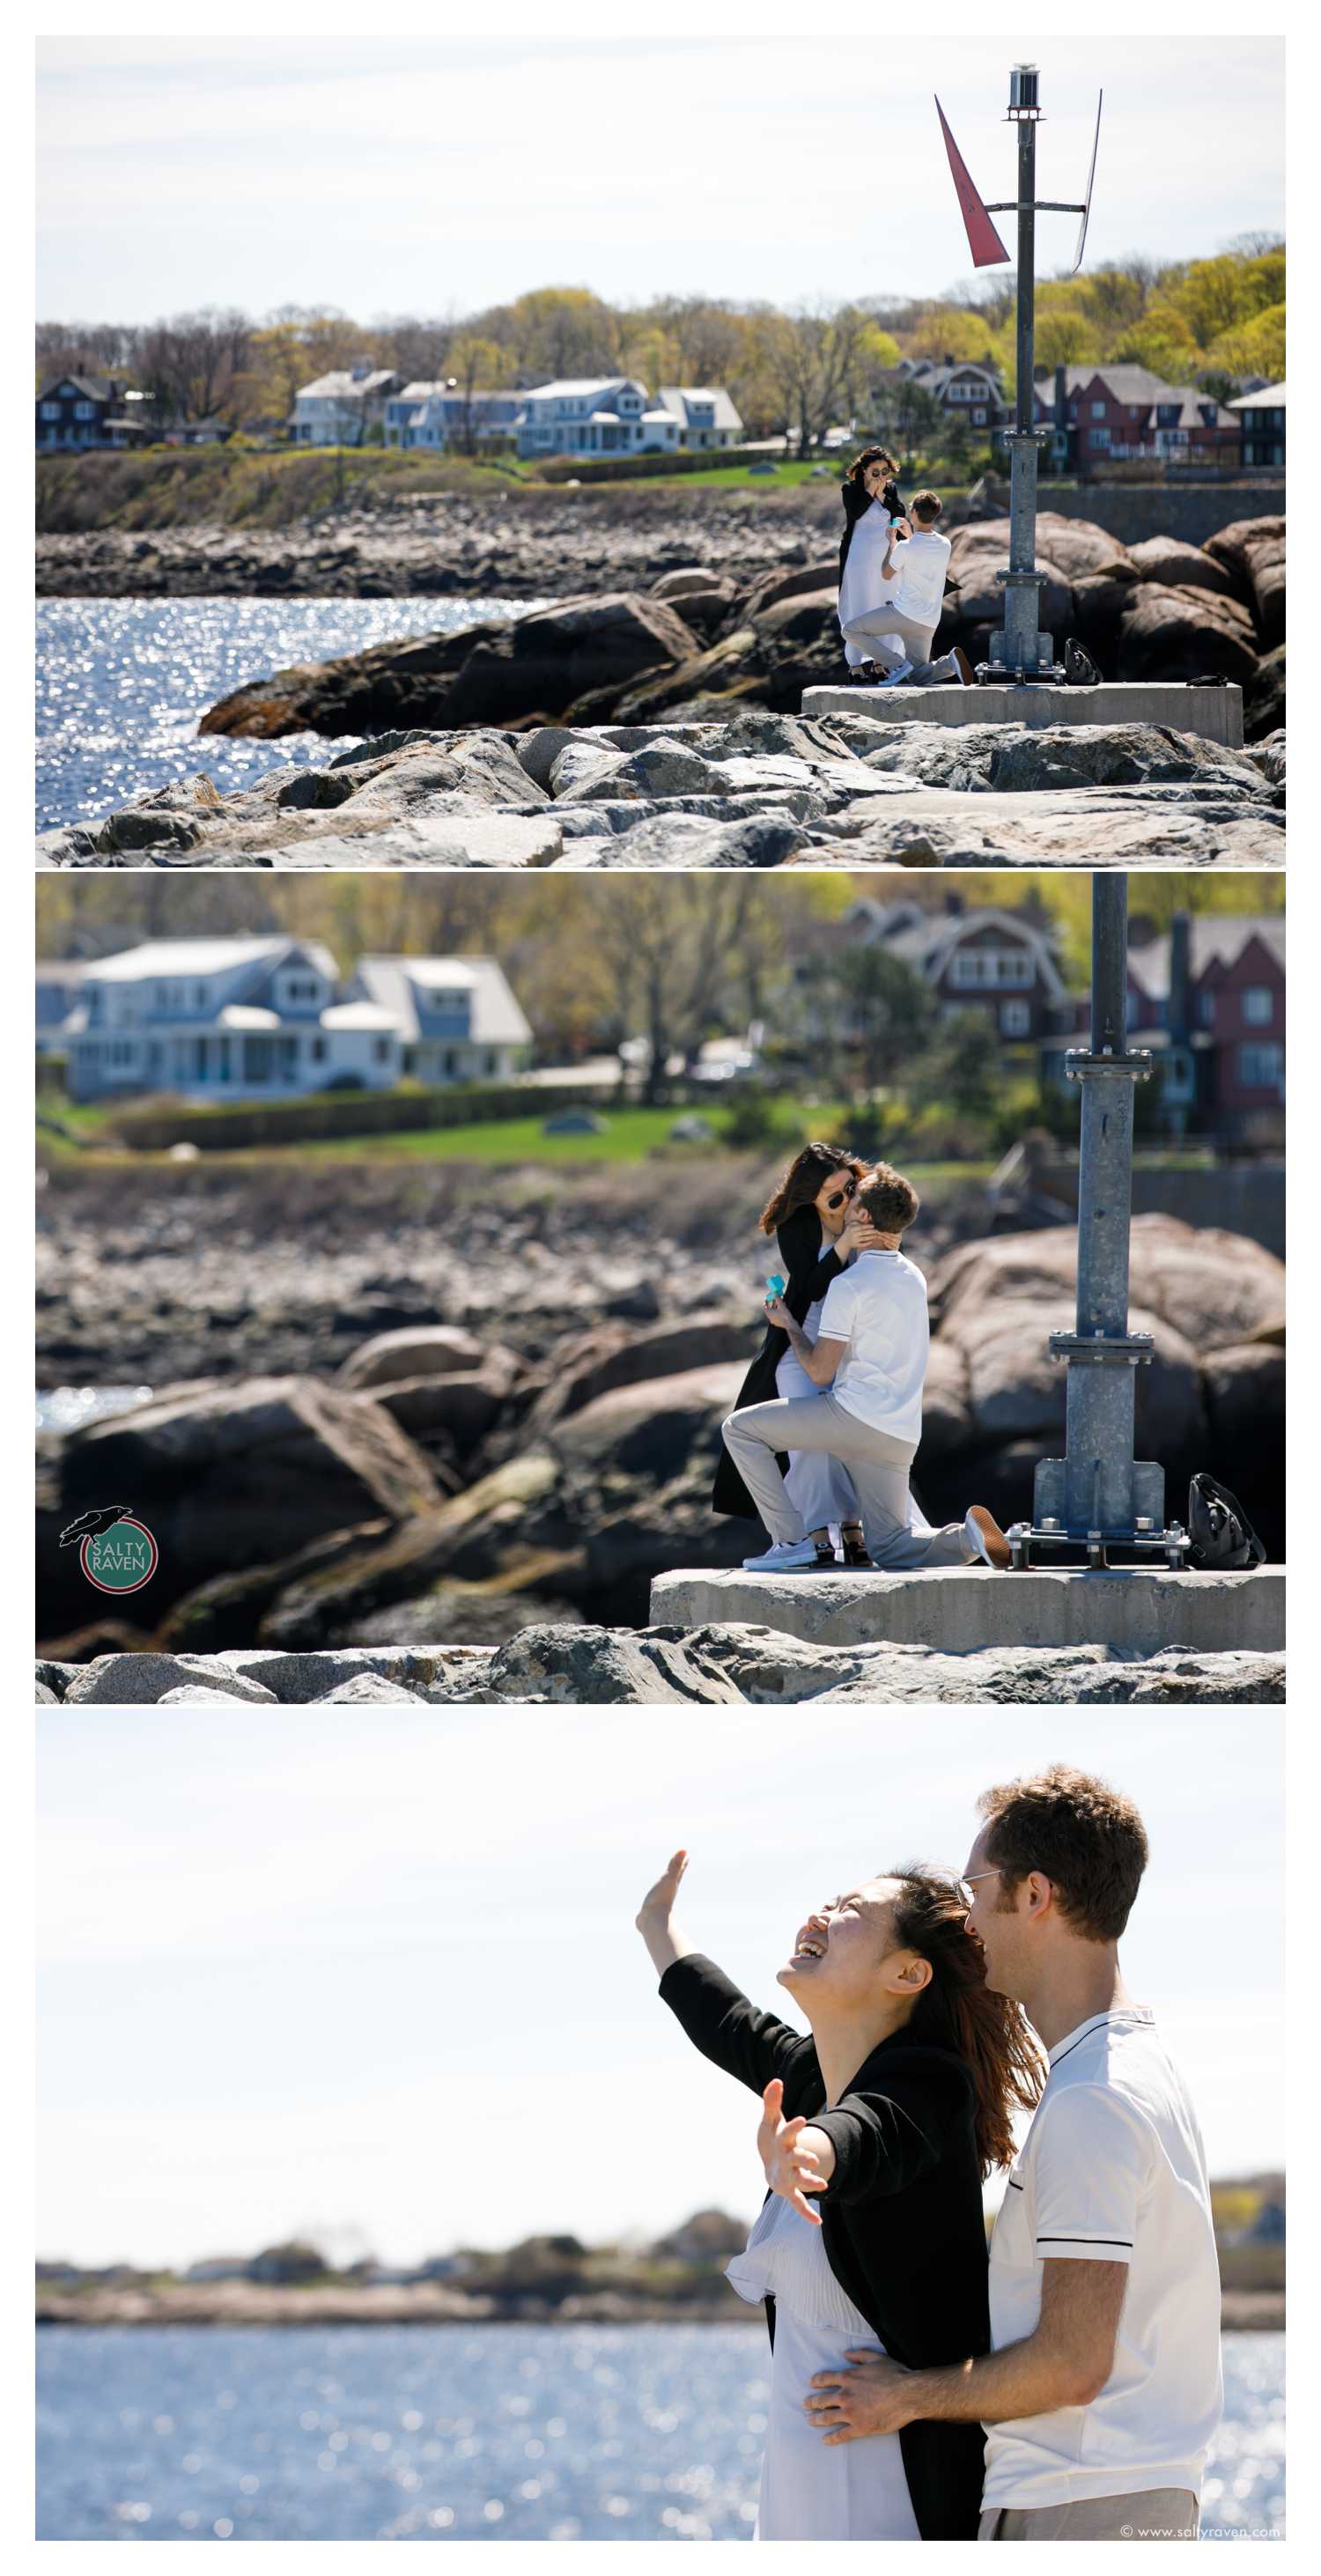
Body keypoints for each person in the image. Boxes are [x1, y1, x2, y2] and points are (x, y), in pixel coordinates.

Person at [804, 1766, 1224, 2544]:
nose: (963, 1919)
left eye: (974, 1888)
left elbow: (1072, 2364)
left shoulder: (1092, 2099)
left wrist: (906, 2396)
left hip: (1079, 2502)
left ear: (1034, 1896)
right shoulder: (1137, 2067)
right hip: (1124, 2493)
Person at [637, 1847, 1043, 2542]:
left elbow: (869, 2131)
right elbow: (727, 2019)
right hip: (803, 2487)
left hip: (896, 2490)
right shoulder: (808, 2075)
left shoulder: (931, 2085)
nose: (820, 1913)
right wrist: (657, 1927)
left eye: (851, 1910)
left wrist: (807, 2153)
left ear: (908, 1973)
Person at [720, 1162, 1011, 1574]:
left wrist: (789, 1326)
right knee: (891, 1546)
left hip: (852, 1421)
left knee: (740, 1431)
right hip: (899, 1436)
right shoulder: (915, 1278)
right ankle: (967, 1538)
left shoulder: (849, 1284)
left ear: (862, 1217)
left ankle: (790, 1541)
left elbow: (820, 1373)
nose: (847, 1200)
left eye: (853, 1196)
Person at [712, 1141, 926, 1570]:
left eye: (850, 1188)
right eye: (834, 1196)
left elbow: (884, 1266)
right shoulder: (800, 1225)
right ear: (811, 1196)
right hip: (808, 1332)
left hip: (852, 1341)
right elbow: (811, 1288)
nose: (846, 1199)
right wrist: (845, 1244)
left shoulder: (868, 1207)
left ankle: (853, 1528)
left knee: (848, 1434)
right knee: (805, 1440)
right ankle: (813, 1534)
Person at [841, 489, 974, 689]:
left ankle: (897, 664)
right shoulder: (945, 544)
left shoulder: (905, 547)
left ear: (913, 513)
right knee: (916, 676)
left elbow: (886, 574)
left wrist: (892, 544)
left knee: (850, 630)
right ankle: (949, 664)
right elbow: (920, 553)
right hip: (928, 622)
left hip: (903, 614)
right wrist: (909, 537)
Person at [837, 447, 911, 673]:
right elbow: (855, 512)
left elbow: (900, 515)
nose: (880, 477)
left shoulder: (891, 489)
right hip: (858, 558)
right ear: (864, 471)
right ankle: (856, 665)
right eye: (875, 472)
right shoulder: (850, 489)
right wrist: (870, 492)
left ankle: (882, 660)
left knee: (884, 604)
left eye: (884, 471)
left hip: (885, 559)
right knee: (859, 604)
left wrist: (883, 496)